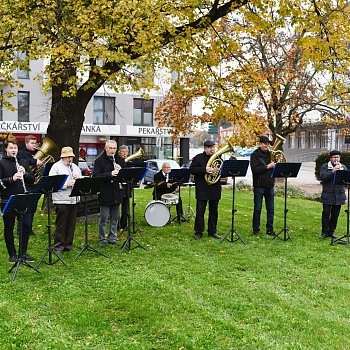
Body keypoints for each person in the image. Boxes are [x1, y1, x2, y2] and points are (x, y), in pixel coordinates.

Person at [0, 138, 35, 263]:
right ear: (6, 149)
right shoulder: (2, 163)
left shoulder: (23, 162)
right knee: (9, 227)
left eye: (15, 148)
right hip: (7, 199)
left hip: (23, 199)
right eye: (11, 148)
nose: (13, 150)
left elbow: (32, 180)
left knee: (26, 226)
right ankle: (12, 254)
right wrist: (12, 178)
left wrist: (25, 174)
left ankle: (23, 253)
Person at [49, 146, 82, 252]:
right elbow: (52, 183)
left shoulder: (75, 167)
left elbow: (81, 181)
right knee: (61, 224)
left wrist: (79, 179)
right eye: (67, 157)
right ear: (62, 157)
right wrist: (67, 184)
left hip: (74, 199)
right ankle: (58, 245)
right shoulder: (56, 167)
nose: (70, 159)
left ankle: (68, 244)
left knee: (71, 223)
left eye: (71, 157)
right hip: (61, 199)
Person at [92, 139, 122, 247]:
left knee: (115, 217)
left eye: (114, 148)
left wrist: (120, 170)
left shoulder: (118, 159)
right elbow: (95, 176)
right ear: (106, 148)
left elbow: (124, 175)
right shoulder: (99, 160)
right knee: (104, 218)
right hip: (105, 192)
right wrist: (110, 173)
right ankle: (102, 239)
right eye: (110, 148)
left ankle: (112, 237)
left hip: (116, 192)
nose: (112, 150)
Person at [189, 140, 222, 240]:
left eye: (213, 147)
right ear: (205, 148)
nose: (212, 149)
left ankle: (212, 231)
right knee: (200, 211)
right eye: (210, 147)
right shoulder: (198, 158)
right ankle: (198, 232)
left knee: (214, 211)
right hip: (203, 188)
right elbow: (192, 169)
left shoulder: (218, 158)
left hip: (214, 188)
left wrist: (218, 171)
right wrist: (205, 169)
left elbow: (220, 171)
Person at [250, 135, 276, 236]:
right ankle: (256, 229)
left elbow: (275, 166)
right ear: (260, 144)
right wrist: (267, 166)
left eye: (268, 144)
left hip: (270, 185)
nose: (267, 146)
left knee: (271, 209)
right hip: (259, 185)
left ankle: (270, 229)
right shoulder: (255, 155)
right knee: (258, 208)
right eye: (265, 144)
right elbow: (255, 170)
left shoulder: (271, 154)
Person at [18, 135, 43, 236]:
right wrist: (35, 161)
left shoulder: (35, 154)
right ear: (26, 144)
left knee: (32, 207)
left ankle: (29, 228)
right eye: (32, 143)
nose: (34, 145)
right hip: (26, 184)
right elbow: (22, 162)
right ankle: (20, 230)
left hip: (34, 183)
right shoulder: (21, 153)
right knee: (24, 208)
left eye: (35, 143)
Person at [319, 150, 347, 239]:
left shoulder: (343, 167)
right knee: (326, 214)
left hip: (339, 195)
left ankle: (331, 231)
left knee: (335, 214)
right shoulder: (325, 167)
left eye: (338, 157)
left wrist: (341, 172)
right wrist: (332, 171)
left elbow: (346, 179)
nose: (336, 159)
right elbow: (323, 178)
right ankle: (324, 232)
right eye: (334, 157)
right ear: (330, 158)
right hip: (328, 194)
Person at [116, 145, 129, 231]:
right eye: (123, 152)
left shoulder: (128, 161)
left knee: (126, 207)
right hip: (119, 187)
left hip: (127, 187)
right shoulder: (117, 161)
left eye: (126, 152)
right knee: (117, 208)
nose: (125, 153)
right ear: (119, 152)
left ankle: (124, 225)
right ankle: (116, 225)